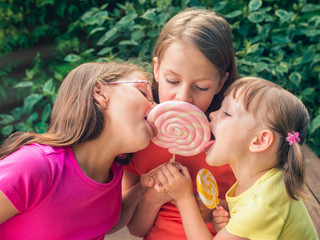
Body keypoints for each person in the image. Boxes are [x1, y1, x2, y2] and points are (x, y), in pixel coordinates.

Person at [0, 61, 157, 239]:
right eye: (143, 92)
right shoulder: (34, 165)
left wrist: (144, 188)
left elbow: (98, 223)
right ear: (99, 92)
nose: (153, 107)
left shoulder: (113, 172)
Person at [155, 77, 318, 240]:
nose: (212, 114)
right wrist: (223, 212)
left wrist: (184, 199)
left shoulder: (262, 204)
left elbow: (255, 212)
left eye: (226, 113)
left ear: (259, 141)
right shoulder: (261, 183)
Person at [122, 8, 237, 239]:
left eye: (201, 87)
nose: (183, 97)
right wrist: (155, 196)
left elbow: (257, 211)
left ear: (221, 82)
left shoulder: (235, 140)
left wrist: (216, 206)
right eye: (172, 80)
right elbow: (135, 229)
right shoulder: (137, 138)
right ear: (156, 69)